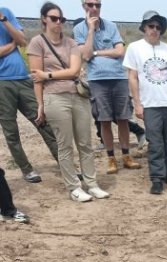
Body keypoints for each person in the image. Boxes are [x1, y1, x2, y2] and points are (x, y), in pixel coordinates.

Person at [28, 2, 109, 203]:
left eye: (61, 19)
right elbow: (36, 79)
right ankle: (74, 187)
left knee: (85, 143)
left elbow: (74, 70)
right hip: (55, 98)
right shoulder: (37, 43)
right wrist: (40, 104)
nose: (59, 22)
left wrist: (48, 74)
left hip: (78, 96)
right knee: (65, 145)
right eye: (54, 18)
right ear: (44, 19)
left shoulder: (71, 42)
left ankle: (92, 184)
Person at [73, 0, 142, 174]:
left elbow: (120, 51)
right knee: (104, 121)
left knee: (123, 119)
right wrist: (90, 30)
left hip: (118, 77)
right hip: (97, 80)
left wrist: (96, 52)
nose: (94, 8)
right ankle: (111, 158)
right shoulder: (79, 29)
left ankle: (126, 156)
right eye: (90, 4)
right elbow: (85, 55)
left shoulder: (111, 26)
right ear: (83, 6)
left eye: (98, 5)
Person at [124, 10, 167, 195]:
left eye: (158, 27)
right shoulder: (135, 48)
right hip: (150, 105)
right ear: (144, 27)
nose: (154, 30)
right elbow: (132, 77)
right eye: (151, 26)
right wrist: (137, 103)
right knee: (155, 143)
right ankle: (157, 178)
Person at [0, 6, 59, 184]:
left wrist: (3, 19)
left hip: (22, 78)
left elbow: (23, 41)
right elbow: (16, 42)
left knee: (43, 121)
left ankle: (64, 162)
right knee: (11, 130)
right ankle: (26, 169)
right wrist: (13, 44)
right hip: (2, 84)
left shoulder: (5, 12)